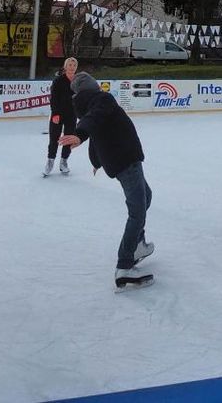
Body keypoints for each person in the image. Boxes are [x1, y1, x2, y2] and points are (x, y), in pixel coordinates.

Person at [59, 72, 155, 289]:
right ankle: (125, 265)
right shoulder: (102, 99)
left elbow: (96, 128)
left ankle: (138, 243)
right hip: (126, 158)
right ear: (91, 86)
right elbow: (93, 121)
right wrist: (80, 134)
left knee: (146, 197)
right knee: (137, 210)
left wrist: (95, 160)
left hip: (119, 159)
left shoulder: (87, 104)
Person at [45, 57, 78, 175]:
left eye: (74, 65)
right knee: (54, 138)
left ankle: (64, 161)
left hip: (72, 114)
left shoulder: (78, 80)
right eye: (70, 65)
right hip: (58, 114)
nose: (72, 67)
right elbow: (53, 98)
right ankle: (50, 161)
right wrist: (55, 113)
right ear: (65, 67)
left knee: (69, 138)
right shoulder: (58, 80)